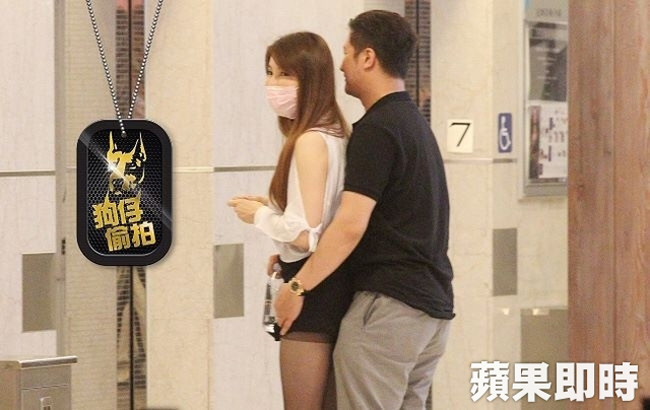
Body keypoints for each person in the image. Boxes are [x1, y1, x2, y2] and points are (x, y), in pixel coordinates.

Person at [274, 10, 455, 409]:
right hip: (431, 310)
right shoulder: (413, 123)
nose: (341, 64)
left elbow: (351, 224)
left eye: (346, 53)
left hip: (388, 310)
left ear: (368, 57)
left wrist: (298, 285)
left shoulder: (376, 130)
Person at [227, 31, 352, 410]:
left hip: (311, 291)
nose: (273, 84)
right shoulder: (337, 133)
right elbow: (324, 214)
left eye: (285, 74)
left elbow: (304, 235)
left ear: (311, 78)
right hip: (332, 283)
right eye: (270, 72)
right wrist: (274, 210)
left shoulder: (310, 140)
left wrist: (259, 215)